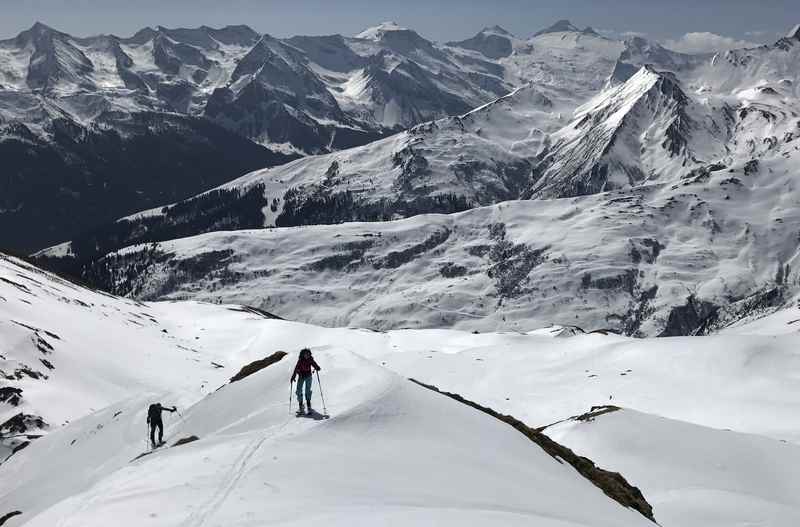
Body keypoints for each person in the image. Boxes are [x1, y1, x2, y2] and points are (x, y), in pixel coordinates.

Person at [291, 348, 321, 415]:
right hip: (301, 376)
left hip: (308, 376)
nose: (307, 355)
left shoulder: (310, 359)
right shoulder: (300, 360)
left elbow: (314, 364)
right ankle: (301, 406)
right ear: (303, 354)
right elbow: (296, 368)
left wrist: (317, 367)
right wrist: (293, 376)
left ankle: (308, 405)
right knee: (299, 391)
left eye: (308, 354)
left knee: (307, 391)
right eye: (306, 354)